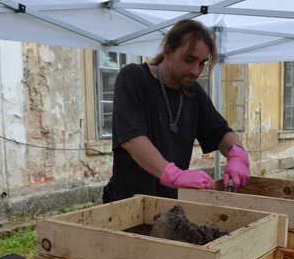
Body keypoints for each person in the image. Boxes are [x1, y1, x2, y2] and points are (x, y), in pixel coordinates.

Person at [102, 19, 249, 204]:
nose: (196, 70)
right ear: (168, 51)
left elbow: (221, 133)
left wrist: (237, 154)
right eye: (189, 60)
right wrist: (175, 175)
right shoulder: (134, 77)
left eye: (202, 63)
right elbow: (132, 139)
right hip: (129, 204)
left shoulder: (194, 92)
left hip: (170, 207)